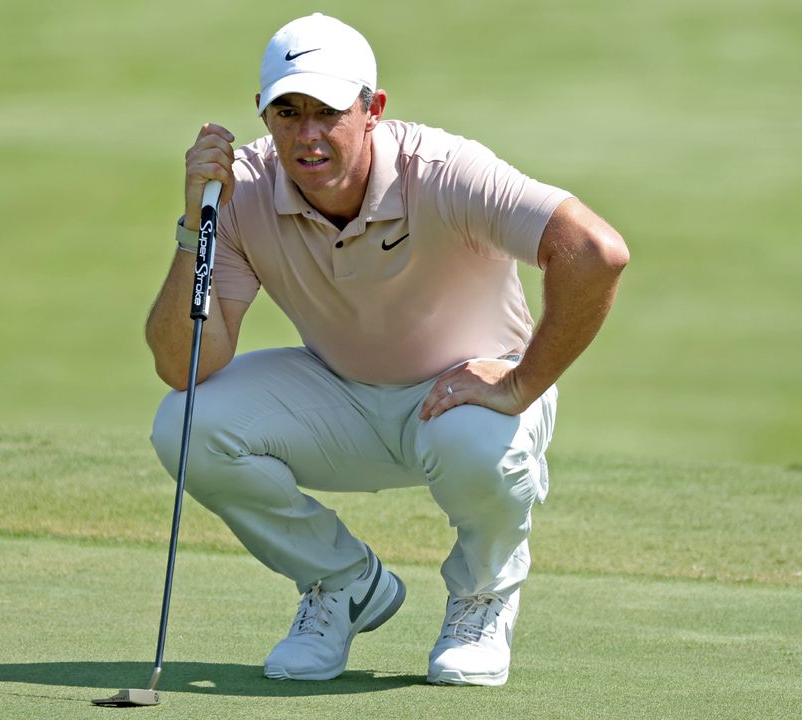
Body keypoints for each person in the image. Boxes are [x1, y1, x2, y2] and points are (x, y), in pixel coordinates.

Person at [146, 13, 628, 686]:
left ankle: (481, 598)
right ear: (262, 112)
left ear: (372, 110)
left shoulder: (443, 172)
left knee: (471, 437)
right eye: (288, 112)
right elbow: (184, 365)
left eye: (328, 112)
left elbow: (594, 252)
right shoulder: (242, 188)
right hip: (342, 394)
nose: (308, 135)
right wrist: (194, 221)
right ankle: (341, 583)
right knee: (184, 421)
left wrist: (522, 382)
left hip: (469, 399)